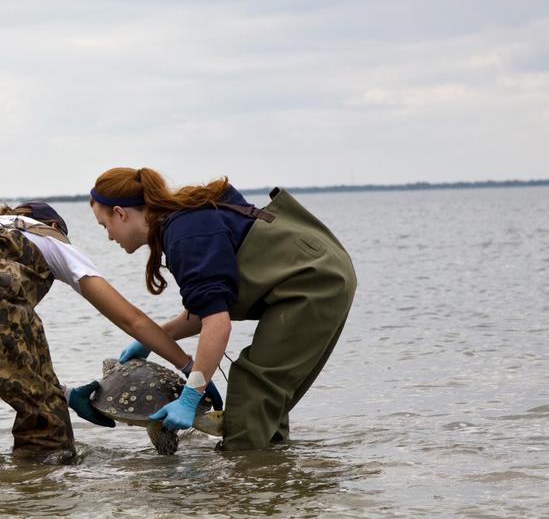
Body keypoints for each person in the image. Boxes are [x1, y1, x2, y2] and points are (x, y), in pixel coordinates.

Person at [0, 200, 206, 462]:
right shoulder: (52, 240)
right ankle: (40, 512)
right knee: (44, 422)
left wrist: (64, 393)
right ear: (55, 227)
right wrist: (191, 370)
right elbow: (131, 320)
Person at [89, 168, 357, 451]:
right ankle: (273, 469)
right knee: (268, 403)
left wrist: (191, 397)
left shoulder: (184, 234)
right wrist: (153, 340)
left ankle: (243, 477)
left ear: (120, 213)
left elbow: (217, 323)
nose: (108, 236)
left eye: (104, 225)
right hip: (323, 273)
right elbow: (203, 311)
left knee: (253, 387)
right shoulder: (183, 222)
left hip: (313, 281)